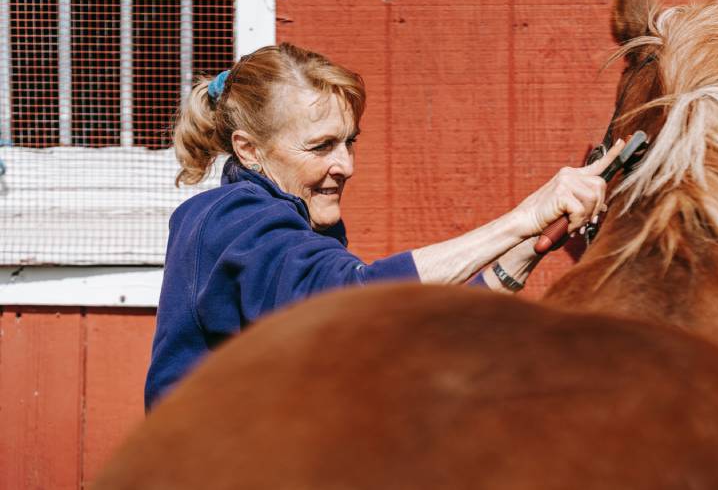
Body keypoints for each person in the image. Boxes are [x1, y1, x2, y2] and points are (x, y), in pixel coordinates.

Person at [144, 42, 623, 411]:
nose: (346, 165)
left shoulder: (293, 222)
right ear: (249, 150)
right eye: (322, 146)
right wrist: (524, 216)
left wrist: (524, 249)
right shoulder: (232, 219)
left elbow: (396, 332)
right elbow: (355, 301)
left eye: (349, 142)